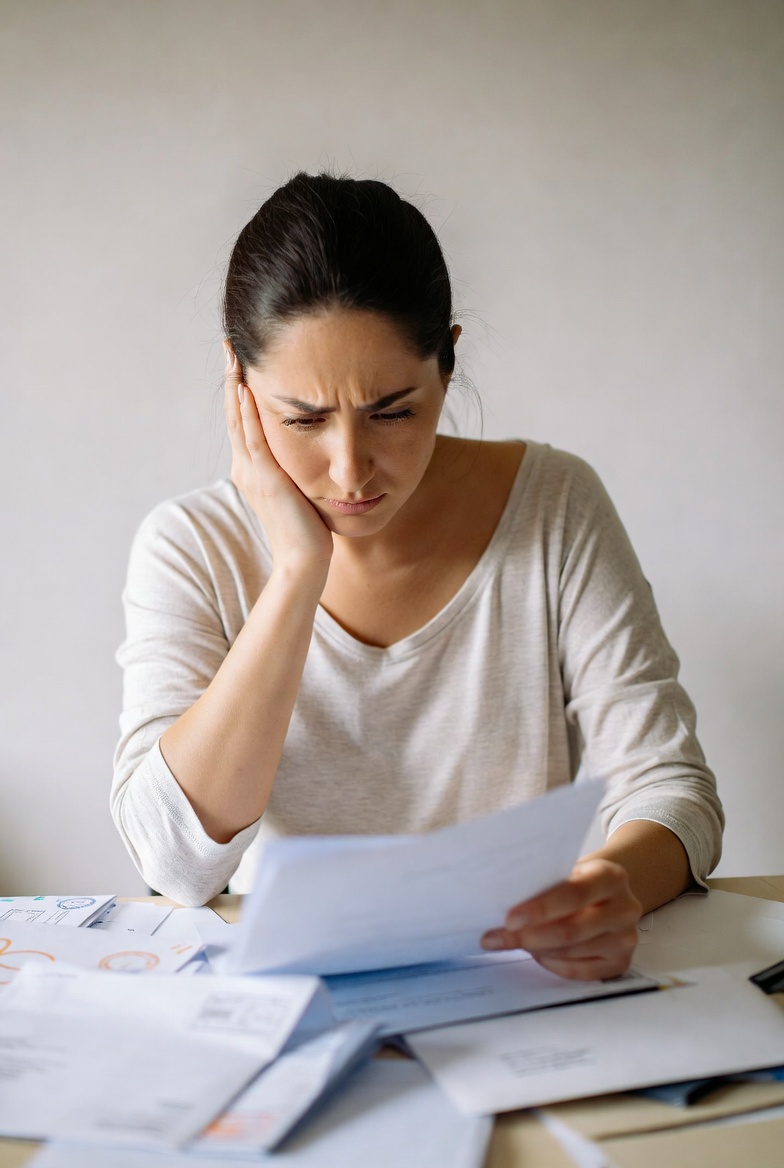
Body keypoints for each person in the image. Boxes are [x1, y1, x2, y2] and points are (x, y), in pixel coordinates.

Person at [112, 172, 724, 981]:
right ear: (240, 388)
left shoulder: (554, 505)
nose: (349, 470)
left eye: (393, 412)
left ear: (448, 362)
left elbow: (672, 786)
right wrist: (298, 572)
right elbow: (176, 866)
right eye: (301, 420)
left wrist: (614, 884)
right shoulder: (191, 546)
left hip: (509, 983)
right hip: (285, 994)